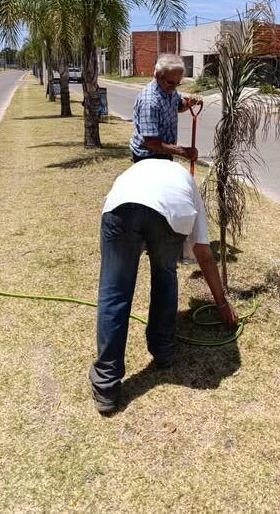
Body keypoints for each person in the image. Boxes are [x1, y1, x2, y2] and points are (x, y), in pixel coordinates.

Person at [89, 159, 238, 415]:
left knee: (114, 293)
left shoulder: (138, 171)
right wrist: (222, 303)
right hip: (172, 214)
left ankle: (106, 387)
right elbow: (203, 252)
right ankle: (163, 352)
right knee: (165, 275)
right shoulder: (189, 189)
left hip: (121, 205)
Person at [130, 53, 201, 163]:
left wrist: (188, 104)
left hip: (165, 151)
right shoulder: (149, 102)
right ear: (158, 75)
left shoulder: (169, 89)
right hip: (147, 157)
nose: (174, 88)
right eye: (171, 83)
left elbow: (177, 106)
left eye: (178, 84)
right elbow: (150, 141)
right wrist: (182, 151)